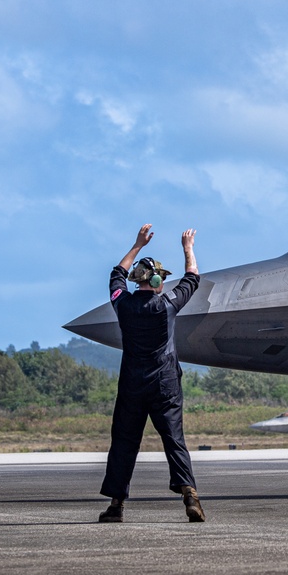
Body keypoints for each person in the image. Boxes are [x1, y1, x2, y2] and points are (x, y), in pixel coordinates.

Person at [98, 224, 205, 523]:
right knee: (174, 440)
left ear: (137, 280)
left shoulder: (123, 304)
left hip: (132, 384)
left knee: (124, 442)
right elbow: (192, 277)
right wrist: (188, 247)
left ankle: (116, 505)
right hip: (165, 385)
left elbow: (116, 275)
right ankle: (190, 496)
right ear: (157, 279)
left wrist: (137, 245)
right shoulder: (168, 304)